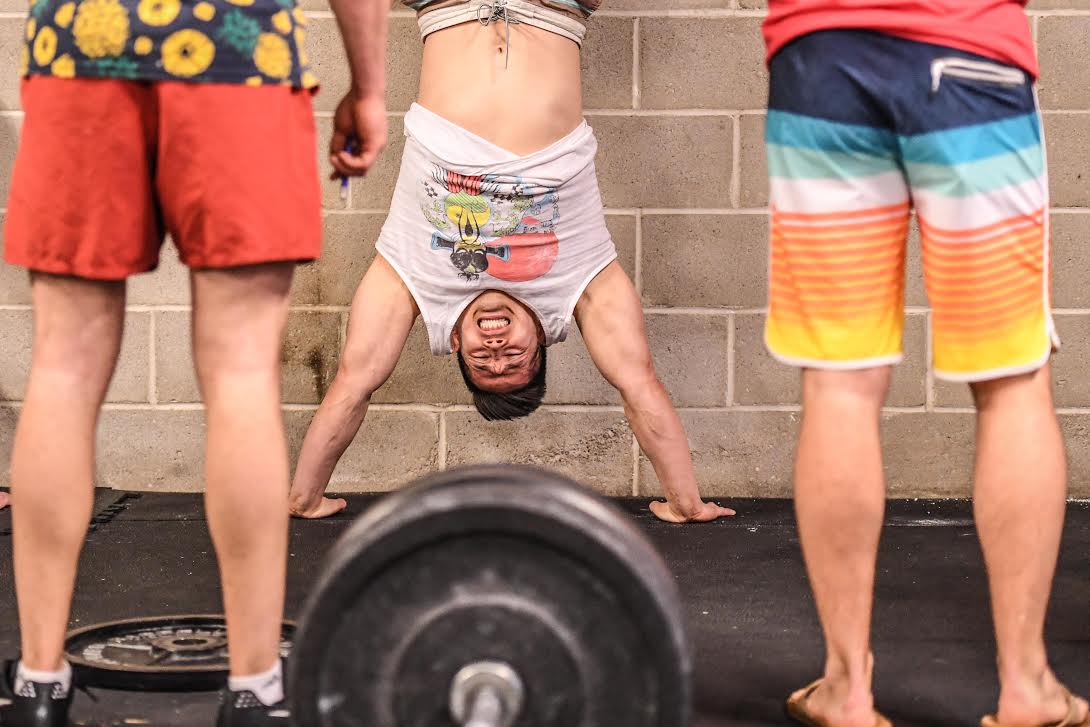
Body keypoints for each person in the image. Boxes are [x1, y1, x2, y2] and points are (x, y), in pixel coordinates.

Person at [0, 0, 390, 722]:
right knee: (241, 372)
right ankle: (253, 688)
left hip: (81, 45)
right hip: (237, 47)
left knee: (62, 365)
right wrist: (368, 86)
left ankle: (38, 681)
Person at [760, 3, 1090, 727]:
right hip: (967, 47)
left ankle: (846, 690)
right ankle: (1028, 687)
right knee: (1010, 377)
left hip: (820, 57)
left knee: (839, 380)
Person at [286, 0, 734, 526]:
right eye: (515, 362)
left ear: (456, 343)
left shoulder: (417, 280)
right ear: (543, 338)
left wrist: (304, 497)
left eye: (482, 364)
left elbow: (353, 384)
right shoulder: (576, 281)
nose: (496, 351)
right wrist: (684, 500)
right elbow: (638, 385)